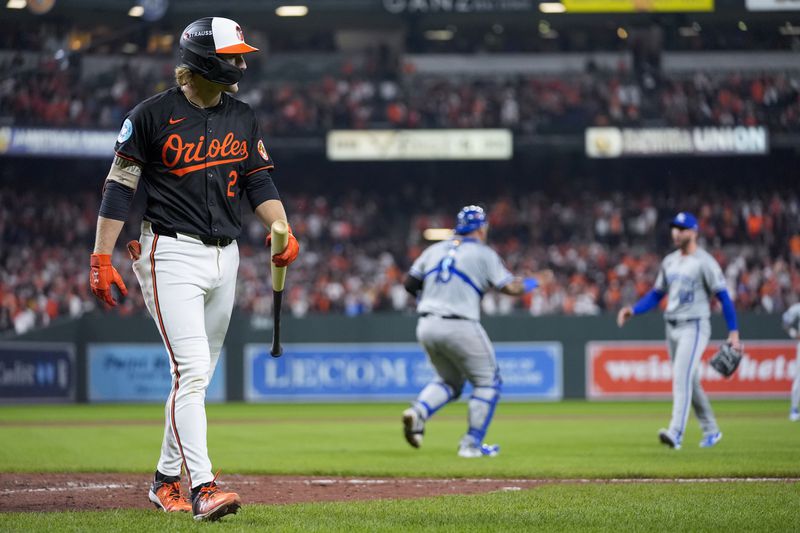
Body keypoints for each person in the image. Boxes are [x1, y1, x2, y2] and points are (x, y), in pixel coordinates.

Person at [88, 17, 299, 521]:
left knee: (195, 379)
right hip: (169, 251)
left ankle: (164, 480)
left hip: (226, 255)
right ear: (206, 60)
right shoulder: (150, 116)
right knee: (192, 370)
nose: (242, 64)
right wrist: (101, 255)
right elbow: (120, 186)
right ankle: (204, 487)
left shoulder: (242, 116)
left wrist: (284, 229)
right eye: (232, 56)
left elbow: (259, 184)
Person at [401, 205, 549, 458]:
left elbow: (409, 284)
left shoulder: (434, 249)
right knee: (488, 383)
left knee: (451, 381)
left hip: (426, 324)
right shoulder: (483, 253)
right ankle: (470, 445)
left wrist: (435, 298)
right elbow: (510, 288)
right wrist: (536, 281)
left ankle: (418, 413)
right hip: (459, 322)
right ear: (481, 228)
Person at [617, 212, 741, 450]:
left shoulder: (705, 262)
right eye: (674, 228)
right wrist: (633, 310)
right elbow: (656, 294)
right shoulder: (670, 261)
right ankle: (711, 431)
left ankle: (676, 433)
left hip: (694, 325)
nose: (676, 232)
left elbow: (724, 298)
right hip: (671, 325)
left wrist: (733, 332)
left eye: (682, 228)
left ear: (694, 232)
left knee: (681, 379)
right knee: (690, 381)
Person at [781, 303, 800, 422]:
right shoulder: (798, 308)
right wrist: (794, 333)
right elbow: (785, 320)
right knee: (799, 378)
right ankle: (794, 409)